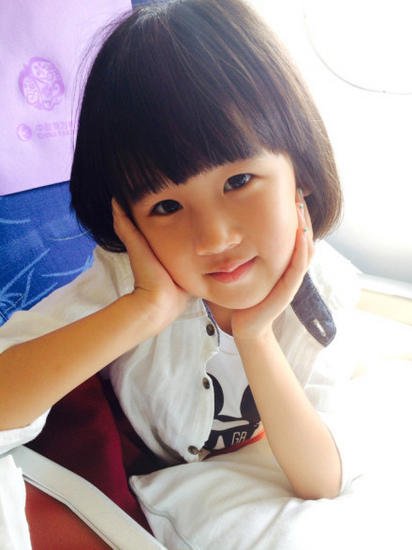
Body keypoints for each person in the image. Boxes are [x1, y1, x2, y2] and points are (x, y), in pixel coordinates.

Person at [0, 0, 365, 547]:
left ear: (301, 172)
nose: (214, 238)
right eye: (166, 207)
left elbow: (320, 480)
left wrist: (256, 335)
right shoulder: (129, 280)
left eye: (238, 181)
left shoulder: (323, 290)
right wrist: (147, 309)